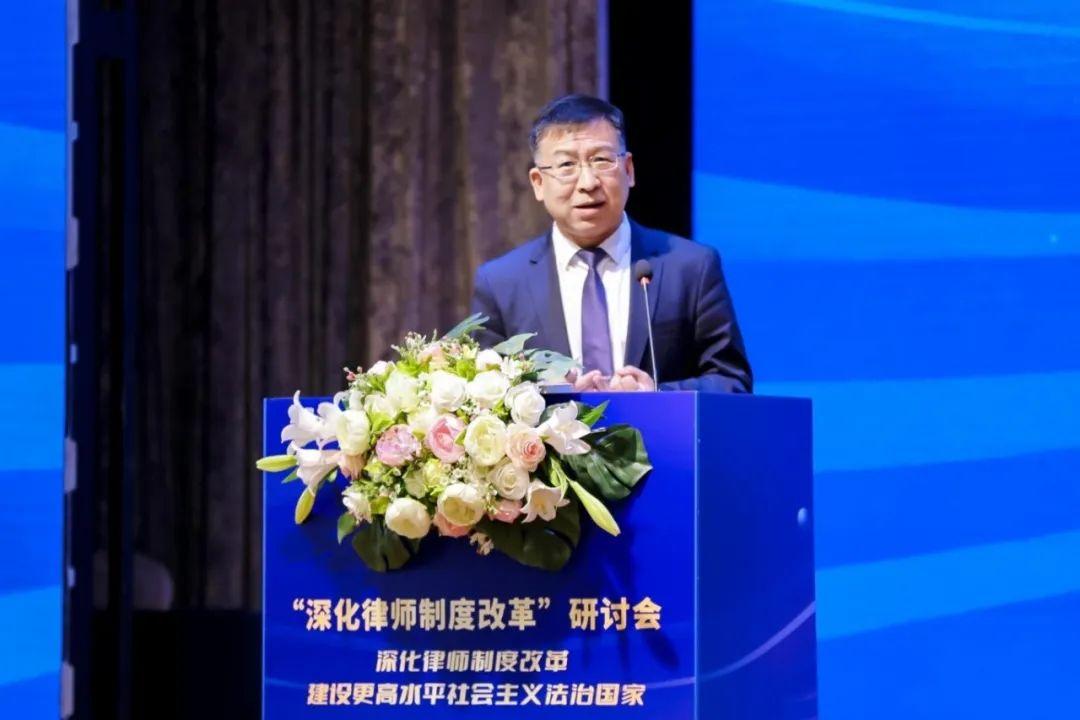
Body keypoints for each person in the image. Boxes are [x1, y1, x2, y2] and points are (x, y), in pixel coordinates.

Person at [470, 94, 752, 392]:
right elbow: (482, 396)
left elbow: (732, 381)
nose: (588, 183)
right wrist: (552, 396)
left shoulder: (691, 267)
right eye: (566, 165)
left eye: (601, 160)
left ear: (628, 170)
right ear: (539, 183)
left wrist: (657, 396)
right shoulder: (501, 283)